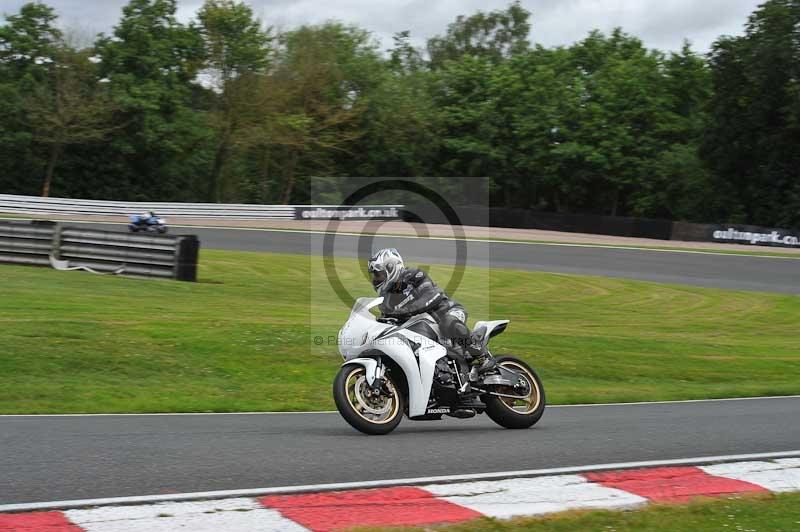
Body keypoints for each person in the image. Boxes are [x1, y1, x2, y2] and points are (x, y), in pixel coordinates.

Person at [367, 248, 495, 382]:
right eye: (375, 276)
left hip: (448, 311)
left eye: (378, 274)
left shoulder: (414, 276)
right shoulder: (386, 301)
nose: (376, 279)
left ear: (391, 268)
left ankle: (481, 356)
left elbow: (432, 296)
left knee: (448, 322)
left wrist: (408, 310)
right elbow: (387, 322)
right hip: (422, 329)